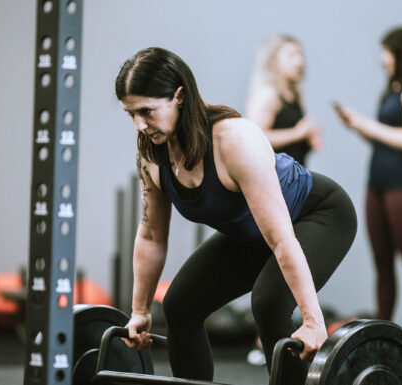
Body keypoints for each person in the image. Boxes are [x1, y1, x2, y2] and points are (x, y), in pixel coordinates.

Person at [115, 47, 357, 383]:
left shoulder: (234, 140)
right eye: (130, 114)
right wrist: (139, 310)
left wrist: (314, 320)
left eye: (147, 111)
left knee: (270, 302)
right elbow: (151, 236)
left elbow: (281, 238)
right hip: (254, 232)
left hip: (317, 214)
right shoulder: (152, 156)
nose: (140, 125)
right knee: (180, 305)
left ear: (179, 96)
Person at [334, 27, 402, 354]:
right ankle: (382, 333)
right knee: (382, 260)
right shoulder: (393, 87)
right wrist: (356, 127)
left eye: (387, 52)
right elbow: (385, 138)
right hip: (377, 182)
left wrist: (367, 124)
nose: (382, 59)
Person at [246, 35, 322, 166]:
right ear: (273, 61)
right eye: (291, 55)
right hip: (272, 178)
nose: (299, 62)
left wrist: (308, 140)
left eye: (301, 55)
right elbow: (255, 137)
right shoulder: (267, 95)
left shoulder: (295, 95)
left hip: (294, 176)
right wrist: (297, 134)